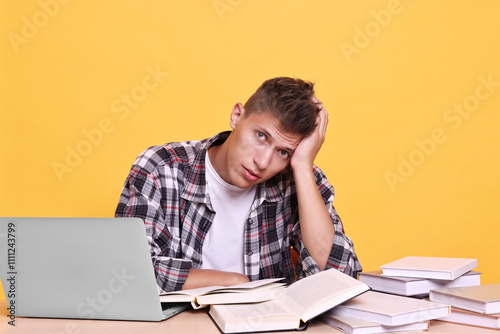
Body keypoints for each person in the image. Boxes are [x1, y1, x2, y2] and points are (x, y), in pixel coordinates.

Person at [115, 77, 362, 293]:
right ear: (236, 115)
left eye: (283, 152)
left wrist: (303, 168)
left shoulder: (297, 177)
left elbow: (340, 279)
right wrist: (231, 282)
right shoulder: (162, 168)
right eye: (261, 136)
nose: (263, 162)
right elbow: (128, 273)